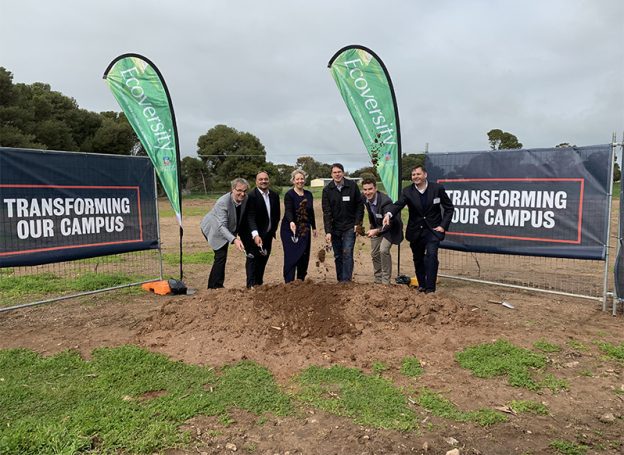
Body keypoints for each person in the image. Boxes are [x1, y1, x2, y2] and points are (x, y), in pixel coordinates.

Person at [383, 165, 453, 293]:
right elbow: (398, 205)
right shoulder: (407, 191)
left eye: (418, 174)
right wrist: (388, 214)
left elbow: (449, 208)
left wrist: (443, 226)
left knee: (431, 256)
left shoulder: (437, 189)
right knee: (418, 258)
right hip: (416, 231)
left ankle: (430, 289)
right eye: (413, 175)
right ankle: (422, 285)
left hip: (433, 231)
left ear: (425, 175)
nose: (416, 177)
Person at [200, 178, 249, 289]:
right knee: (220, 256)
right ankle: (214, 287)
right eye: (239, 190)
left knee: (222, 256)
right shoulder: (223, 202)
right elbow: (221, 226)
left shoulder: (245, 198)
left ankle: (217, 285)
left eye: (245, 191)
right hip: (214, 228)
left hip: (227, 228)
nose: (242, 194)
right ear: (232, 189)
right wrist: (234, 240)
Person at [322, 163, 364, 282]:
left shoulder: (352, 186)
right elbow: (327, 212)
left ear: (343, 173)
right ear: (331, 174)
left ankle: (346, 281)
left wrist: (357, 223)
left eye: (339, 172)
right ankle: (340, 280)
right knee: (338, 255)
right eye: (334, 172)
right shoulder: (327, 190)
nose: (337, 174)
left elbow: (360, 206)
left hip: (350, 226)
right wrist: (328, 231)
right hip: (335, 228)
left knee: (347, 253)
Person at [239, 171, 281, 288]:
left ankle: (259, 283)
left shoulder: (274, 195)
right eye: (261, 179)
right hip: (252, 235)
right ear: (256, 181)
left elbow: (276, 215)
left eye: (266, 179)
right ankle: (251, 285)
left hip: (267, 235)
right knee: (253, 259)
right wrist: (255, 235)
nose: (264, 181)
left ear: (269, 180)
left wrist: (272, 230)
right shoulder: (251, 196)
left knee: (263, 259)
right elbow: (250, 217)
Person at [361, 177, 403, 284]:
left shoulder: (386, 202)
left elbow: (388, 224)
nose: (367, 192)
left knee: (383, 250)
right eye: (365, 190)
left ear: (375, 189)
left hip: (390, 228)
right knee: (374, 253)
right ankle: (378, 279)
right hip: (376, 226)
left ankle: (385, 281)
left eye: (370, 189)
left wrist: (376, 231)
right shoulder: (365, 198)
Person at [281, 169, 317, 282]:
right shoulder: (289, 194)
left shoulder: (309, 195)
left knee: (304, 254)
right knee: (292, 255)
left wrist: (314, 227)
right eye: (297, 179)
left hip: (304, 228)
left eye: (302, 179)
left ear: (305, 180)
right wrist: (291, 221)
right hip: (290, 228)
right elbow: (288, 210)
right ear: (293, 181)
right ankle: (289, 282)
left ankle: (300, 280)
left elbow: (311, 212)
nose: (300, 181)